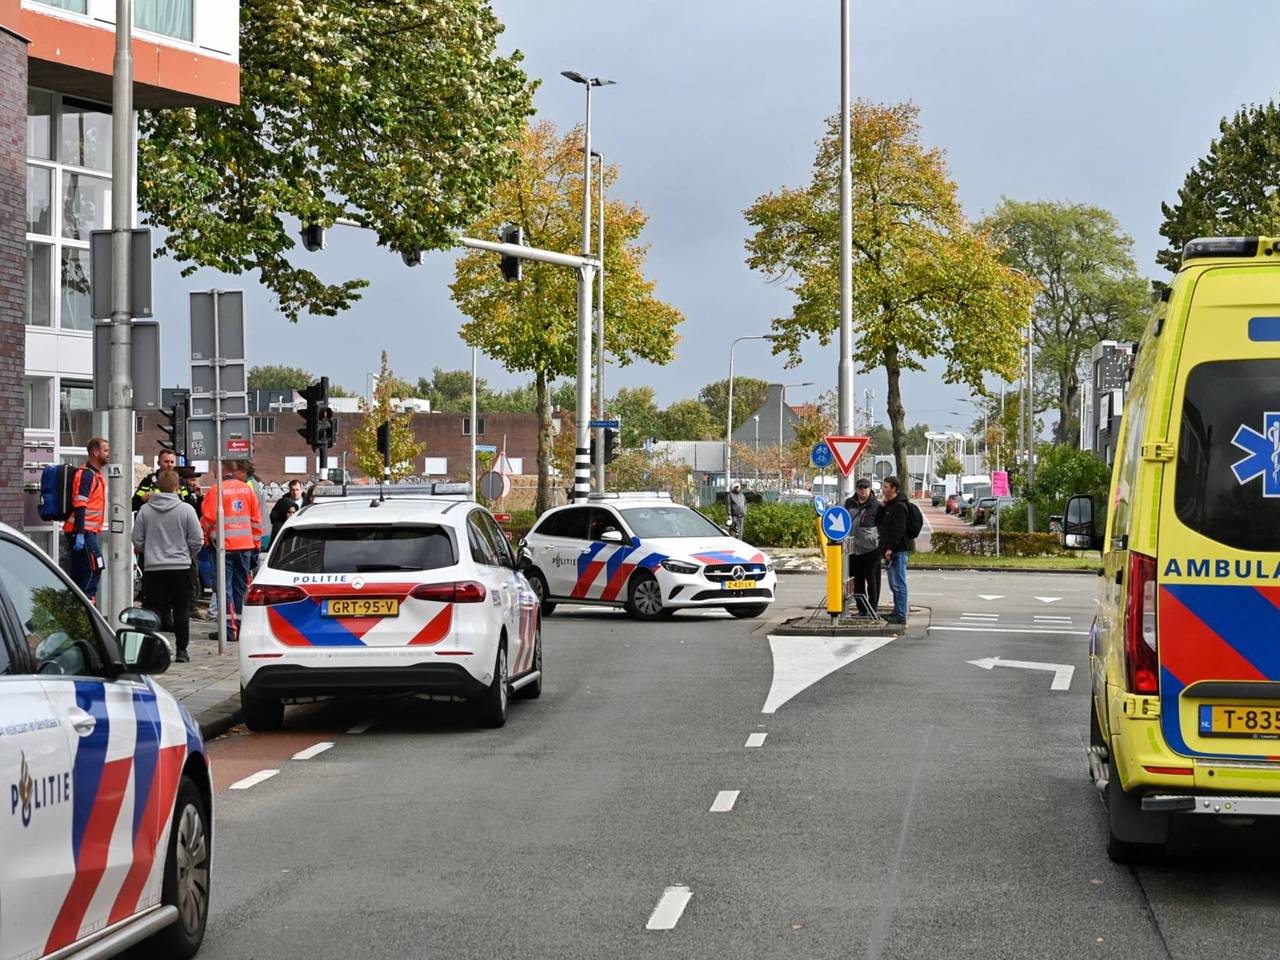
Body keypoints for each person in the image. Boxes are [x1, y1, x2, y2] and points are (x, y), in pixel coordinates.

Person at [133, 470, 203, 662]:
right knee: (181, 610)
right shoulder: (187, 510)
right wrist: (187, 554)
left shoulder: (145, 510)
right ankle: (182, 651)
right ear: (177, 487)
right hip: (181, 568)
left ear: (157, 487)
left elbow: (137, 539)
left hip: (154, 569)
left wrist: (150, 552)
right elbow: (197, 539)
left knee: (154, 610)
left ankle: (152, 652)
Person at [201, 460, 263, 642]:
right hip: (245, 547)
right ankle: (242, 628)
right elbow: (256, 521)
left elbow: (208, 519)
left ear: (223, 468)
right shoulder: (247, 490)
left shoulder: (216, 490)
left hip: (224, 548)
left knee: (224, 589)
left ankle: (230, 629)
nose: (213, 470)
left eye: (214, 467)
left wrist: (209, 538)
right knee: (241, 588)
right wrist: (256, 546)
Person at [63, 437, 109, 602]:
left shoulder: (95, 475)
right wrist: (80, 533)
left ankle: (78, 605)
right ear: (95, 452)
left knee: (81, 573)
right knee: (94, 567)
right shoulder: (87, 475)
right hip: (81, 532)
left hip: (86, 532)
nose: (108, 454)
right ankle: (86, 603)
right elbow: (80, 503)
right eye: (105, 450)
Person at [844, 477, 882, 616]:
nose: (863, 490)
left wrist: (878, 542)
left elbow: (882, 525)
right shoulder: (849, 503)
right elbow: (843, 520)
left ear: (870, 489)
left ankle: (872, 609)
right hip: (853, 549)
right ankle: (862, 609)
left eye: (866, 488)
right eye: (860, 488)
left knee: (872, 580)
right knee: (857, 580)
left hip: (871, 549)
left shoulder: (876, 505)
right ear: (856, 489)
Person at [877, 475, 911, 624]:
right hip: (889, 550)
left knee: (899, 584)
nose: (883, 489)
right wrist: (882, 507)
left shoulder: (900, 507)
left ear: (894, 488)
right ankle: (896, 611)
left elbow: (899, 530)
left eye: (886, 487)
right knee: (893, 584)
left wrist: (891, 548)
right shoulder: (889, 505)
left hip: (898, 551)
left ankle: (901, 614)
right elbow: (879, 523)